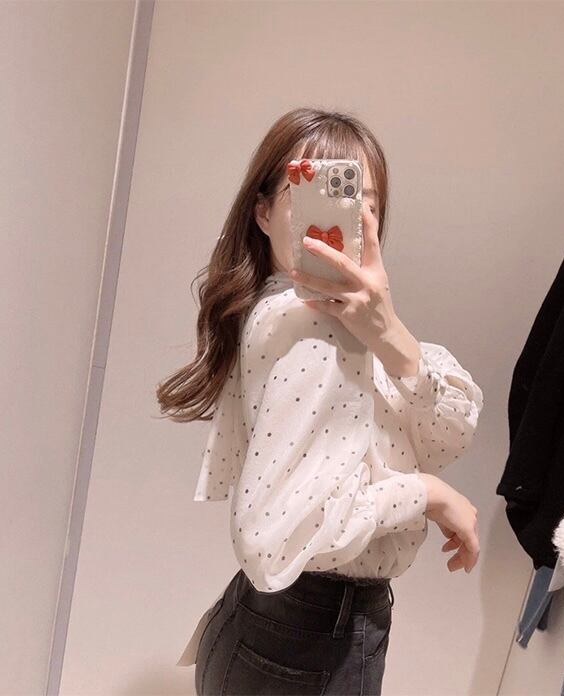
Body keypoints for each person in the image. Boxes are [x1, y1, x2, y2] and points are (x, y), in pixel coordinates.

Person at [158, 107, 484, 695]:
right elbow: (275, 537)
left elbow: (447, 434)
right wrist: (427, 494)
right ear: (263, 211)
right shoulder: (307, 323)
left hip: (285, 637)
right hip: (309, 644)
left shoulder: (344, 327)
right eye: (314, 190)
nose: (343, 216)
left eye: (363, 199)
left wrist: (389, 333)